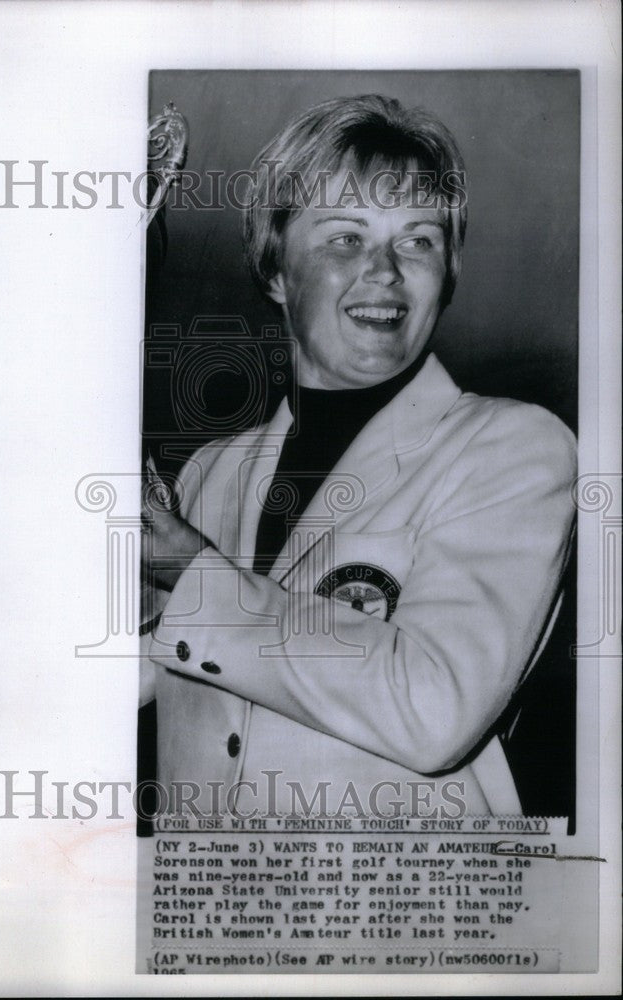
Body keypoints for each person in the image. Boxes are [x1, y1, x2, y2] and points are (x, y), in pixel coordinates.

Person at [140, 94, 576, 818]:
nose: (385, 271)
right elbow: (134, 671)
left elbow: (433, 710)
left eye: (418, 240)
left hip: (409, 918)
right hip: (217, 916)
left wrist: (194, 576)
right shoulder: (210, 473)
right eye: (345, 238)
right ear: (276, 273)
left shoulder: (516, 449)